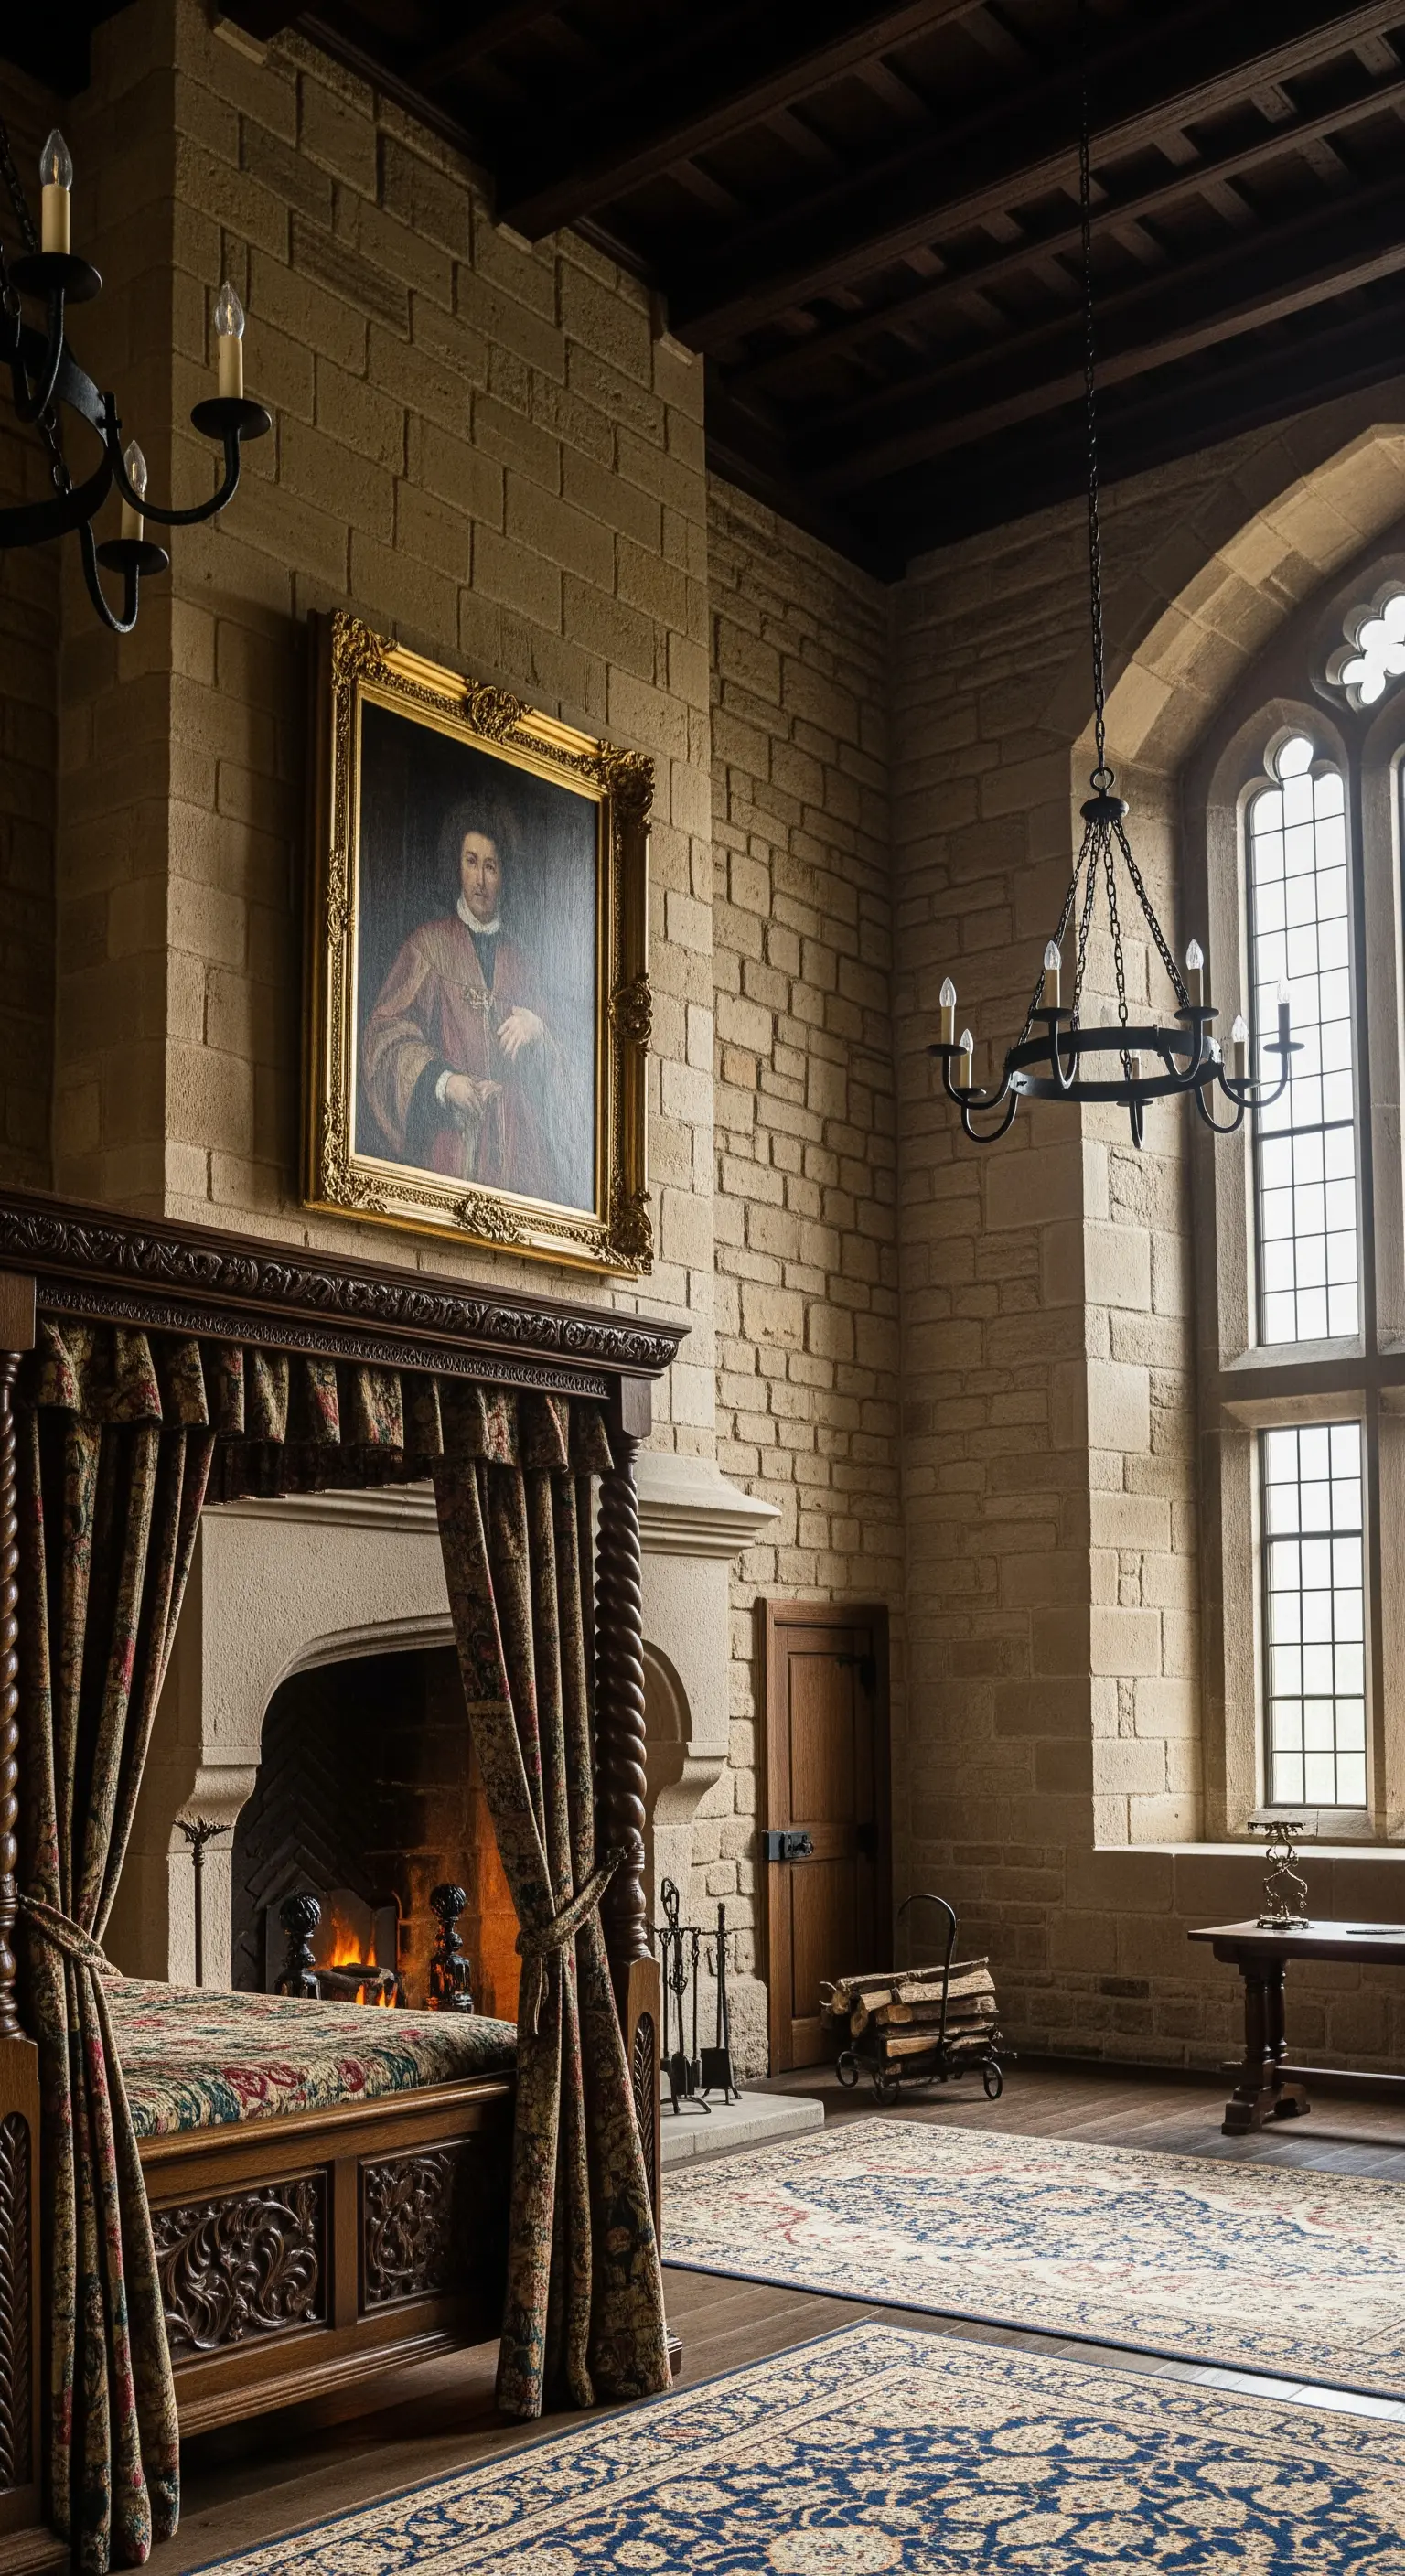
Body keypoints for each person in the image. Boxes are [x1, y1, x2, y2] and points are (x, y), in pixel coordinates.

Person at [361, 800, 590, 1209]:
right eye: (471, 862)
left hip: (518, 1150)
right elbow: (385, 1036)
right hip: (450, 1144)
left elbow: (571, 1078)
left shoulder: (523, 963)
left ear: (503, 876)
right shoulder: (427, 945)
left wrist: (538, 1031)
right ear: (457, 867)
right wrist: (444, 1082)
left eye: (491, 866)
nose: (481, 880)